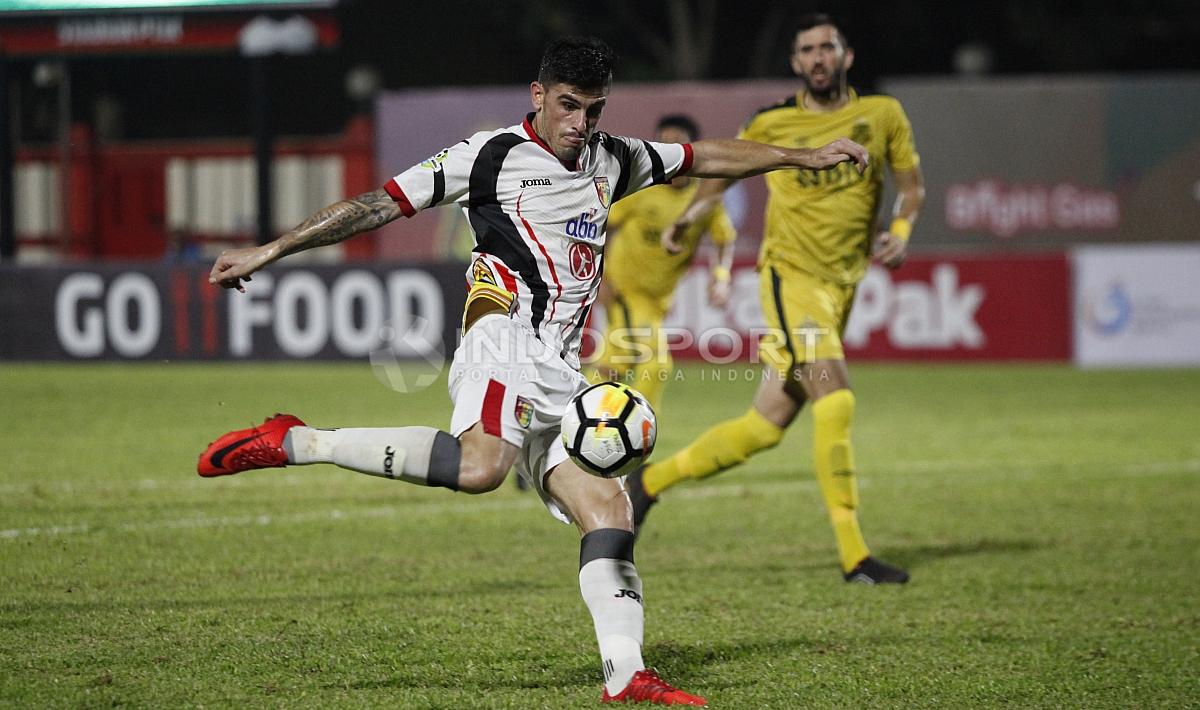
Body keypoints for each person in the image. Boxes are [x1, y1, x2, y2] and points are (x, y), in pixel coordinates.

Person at [196, 36, 867, 705]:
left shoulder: (613, 158)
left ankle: (626, 675)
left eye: (595, 109)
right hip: (502, 333)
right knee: (482, 466)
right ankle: (298, 441)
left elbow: (705, 155)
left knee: (610, 505)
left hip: (560, 368)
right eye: (569, 106)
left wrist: (800, 157)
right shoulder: (488, 156)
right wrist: (273, 248)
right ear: (539, 96)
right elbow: (377, 203)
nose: (581, 125)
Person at [627, 14, 925, 585]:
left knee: (764, 426)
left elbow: (912, 189)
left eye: (826, 48)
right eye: (807, 50)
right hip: (790, 279)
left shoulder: (882, 116)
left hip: (842, 285)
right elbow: (720, 175)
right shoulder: (771, 121)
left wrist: (901, 233)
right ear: (795, 63)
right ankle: (854, 556)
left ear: (846, 56)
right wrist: (690, 216)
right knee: (835, 400)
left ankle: (649, 484)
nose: (817, 58)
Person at [591, 114, 737, 413]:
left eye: (676, 143)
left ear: (691, 148)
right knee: (656, 364)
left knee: (612, 367)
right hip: (625, 290)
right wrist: (599, 277)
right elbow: (600, 228)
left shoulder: (704, 196)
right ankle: (638, 438)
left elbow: (725, 239)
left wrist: (721, 277)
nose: (667, 150)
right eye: (663, 143)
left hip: (657, 299)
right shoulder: (640, 186)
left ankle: (570, 422)